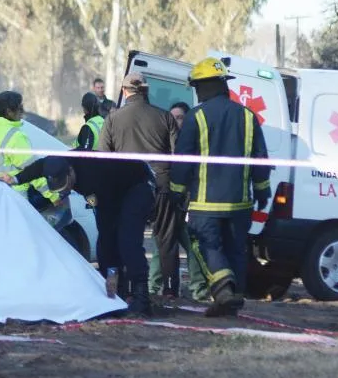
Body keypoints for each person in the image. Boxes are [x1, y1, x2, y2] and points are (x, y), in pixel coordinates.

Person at [169, 58, 271, 317]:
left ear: (206, 86)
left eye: (197, 86)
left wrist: (176, 192)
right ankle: (233, 301)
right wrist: (262, 190)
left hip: (206, 203)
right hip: (240, 203)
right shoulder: (248, 117)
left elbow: (183, 161)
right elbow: (261, 159)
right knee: (236, 248)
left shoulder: (196, 117)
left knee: (205, 245)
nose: (197, 91)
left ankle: (224, 291)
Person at [2, 152, 156, 315]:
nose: (66, 190)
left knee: (127, 242)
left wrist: (112, 271)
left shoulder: (94, 178)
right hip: (110, 192)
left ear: (70, 172)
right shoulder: (55, 163)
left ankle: (142, 299)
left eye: (66, 186)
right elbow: (37, 168)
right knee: (106, 245)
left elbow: (107, 227)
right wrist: (14, 179)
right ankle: (118, 294)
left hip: (138, 185)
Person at [98, 72, 180, 303]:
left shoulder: (113, 119)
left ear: (125, 92)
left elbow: (104, 159)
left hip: (127, 188)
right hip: (162, 185)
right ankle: (170, 289)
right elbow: (179, 157)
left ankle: (125, 289)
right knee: (165, 239)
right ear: (146, 91)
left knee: (127, 238)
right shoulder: (165, 117)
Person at [148, 101, 210, 301]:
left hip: (187, 204)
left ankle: (198, 290)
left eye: (180, 117)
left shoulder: (193, 144)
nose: (176, 121)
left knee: (192, 248)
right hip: (167, 204)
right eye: (172, 117)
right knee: (161, 246)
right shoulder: (164, 142)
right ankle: (154, 286)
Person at [0, 91, 52, 202]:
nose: (22, 112)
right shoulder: (14, 136)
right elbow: (32, 169)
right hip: (10, 196)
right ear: (9, 111)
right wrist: (52, 195)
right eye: (20, 108)